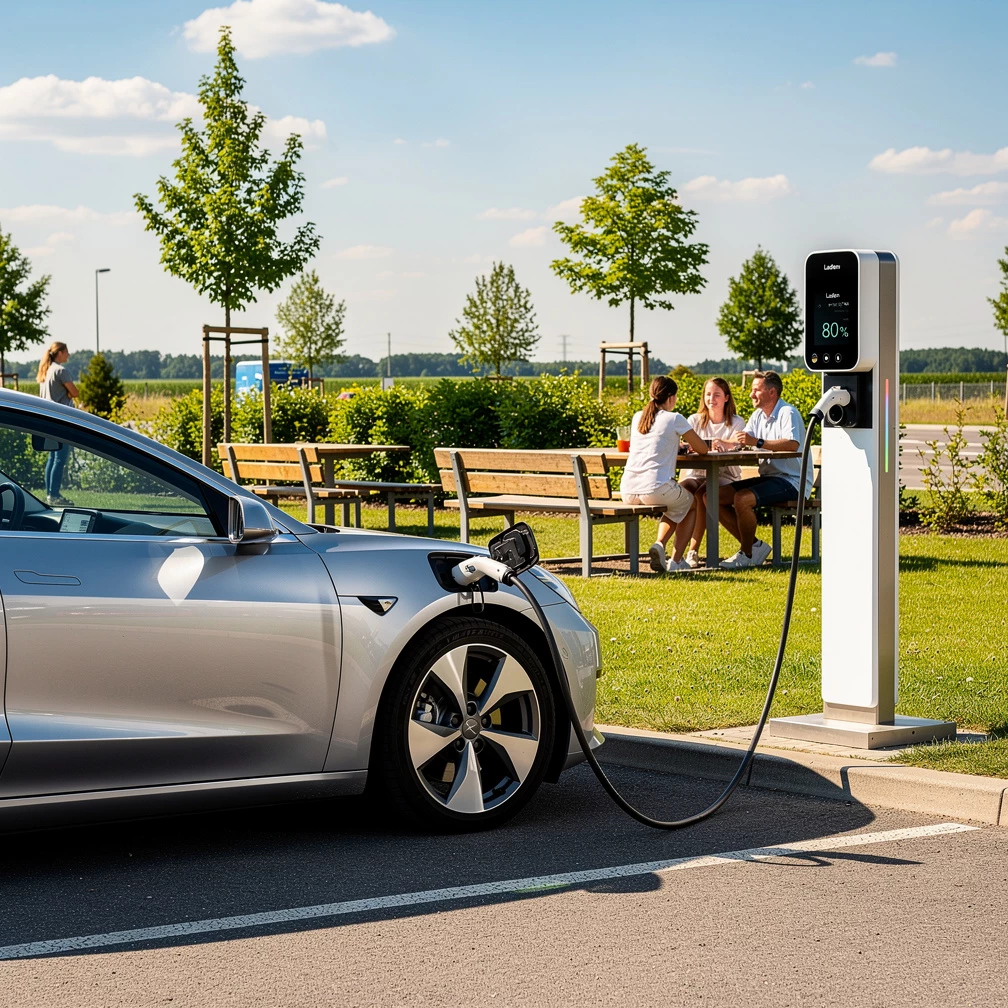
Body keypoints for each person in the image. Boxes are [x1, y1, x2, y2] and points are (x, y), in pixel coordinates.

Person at [711, 370, 811, 569]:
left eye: (756, 390)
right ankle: (754, 546)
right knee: (712, 497)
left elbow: (792, 444)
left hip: (793, 481)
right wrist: (723, 443)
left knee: (742, 499)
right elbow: (742, 440)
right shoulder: (758, 415)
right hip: (770, 477)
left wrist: (757, 442)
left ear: (772, 392)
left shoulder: (787, 412)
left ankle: (747, 554)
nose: (751, 394)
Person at [620, 375, 709, 573]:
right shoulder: (674, 418)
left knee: (677, 504)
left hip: (628, 489)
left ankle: (660, 545)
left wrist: (677, 446)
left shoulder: (638, 417)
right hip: (655, 487)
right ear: (671, 397)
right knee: (691, 505)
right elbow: (702, 448)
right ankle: (675, 560)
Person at [678, 377, 746, 568]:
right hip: (697, 473)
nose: (711, 399)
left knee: (703, 494)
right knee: (683, 490)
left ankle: (692, 551)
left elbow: (738, 445)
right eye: (708, 394)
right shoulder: (694, 420)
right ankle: (675, 552)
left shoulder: (736, 422)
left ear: (726, 397)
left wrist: (725, 444)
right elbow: (685, 444)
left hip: (725, 475)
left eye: (716, 395)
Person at [36, 341, 79, 507]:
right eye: (66, 351)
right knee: (60, 458)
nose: (68, 355)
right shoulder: (61, 371)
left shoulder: (46, 371)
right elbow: (75, 392)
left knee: (52, 457)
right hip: (61, 420)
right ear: (59, 352)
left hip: (48, 419)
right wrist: (68, 393)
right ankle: (54, 495)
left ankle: (50, 493)